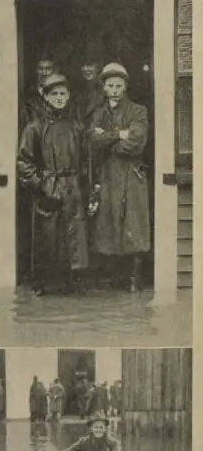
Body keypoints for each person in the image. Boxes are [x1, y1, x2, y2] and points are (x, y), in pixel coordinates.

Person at [17, 72, 89, 295]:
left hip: (72, 187)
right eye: (54, 94)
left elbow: (86, 159)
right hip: (48, 187)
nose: (59, 98)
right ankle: (42, 284)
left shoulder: (76, 127)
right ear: (46, 97)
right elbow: (24, 163)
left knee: (73, 238)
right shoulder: (34, 128)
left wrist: (82, 185)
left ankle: (71, 283)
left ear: (69, 96)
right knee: (47, 238)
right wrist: (42, 185)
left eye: (63, 93)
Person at [89, 62, 151, 292]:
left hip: (132, 174)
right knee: (108, 222)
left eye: (118, 85)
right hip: (107, 174)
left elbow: (136, 143)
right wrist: (118, 135)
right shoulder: (98, 114)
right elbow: (93, 143)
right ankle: (114, 277)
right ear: (104, 88)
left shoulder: (138, 111)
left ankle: (135, 277)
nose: (114, 89)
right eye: (110, 85)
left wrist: (108, 140)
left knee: (133, 222)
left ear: (125, 87)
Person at [21, 57, 57, 130]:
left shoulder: (60, 93)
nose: (44, 72)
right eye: (40, 68)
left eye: (48, 68)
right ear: (36, 70)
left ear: (54, 71)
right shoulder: (29, 95)